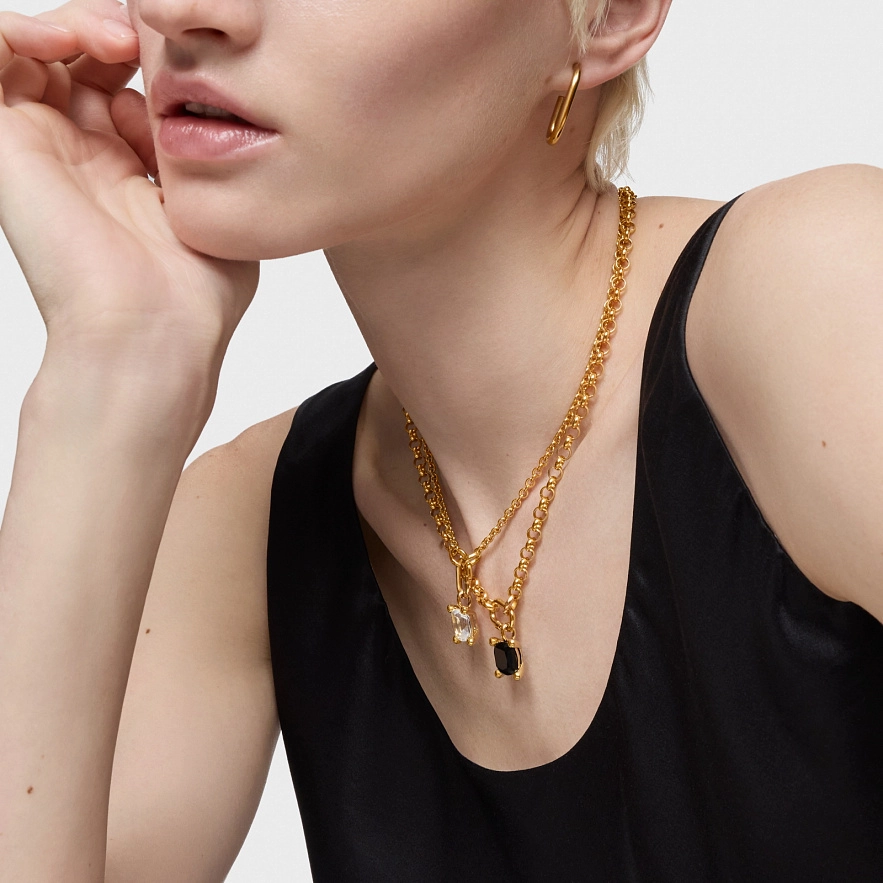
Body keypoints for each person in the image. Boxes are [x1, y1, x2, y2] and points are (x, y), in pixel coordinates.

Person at [1, 0, 881, 879]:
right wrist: (112, 368)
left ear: (607, 17)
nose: (182, 10)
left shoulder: (821, 300)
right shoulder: (248, 524)